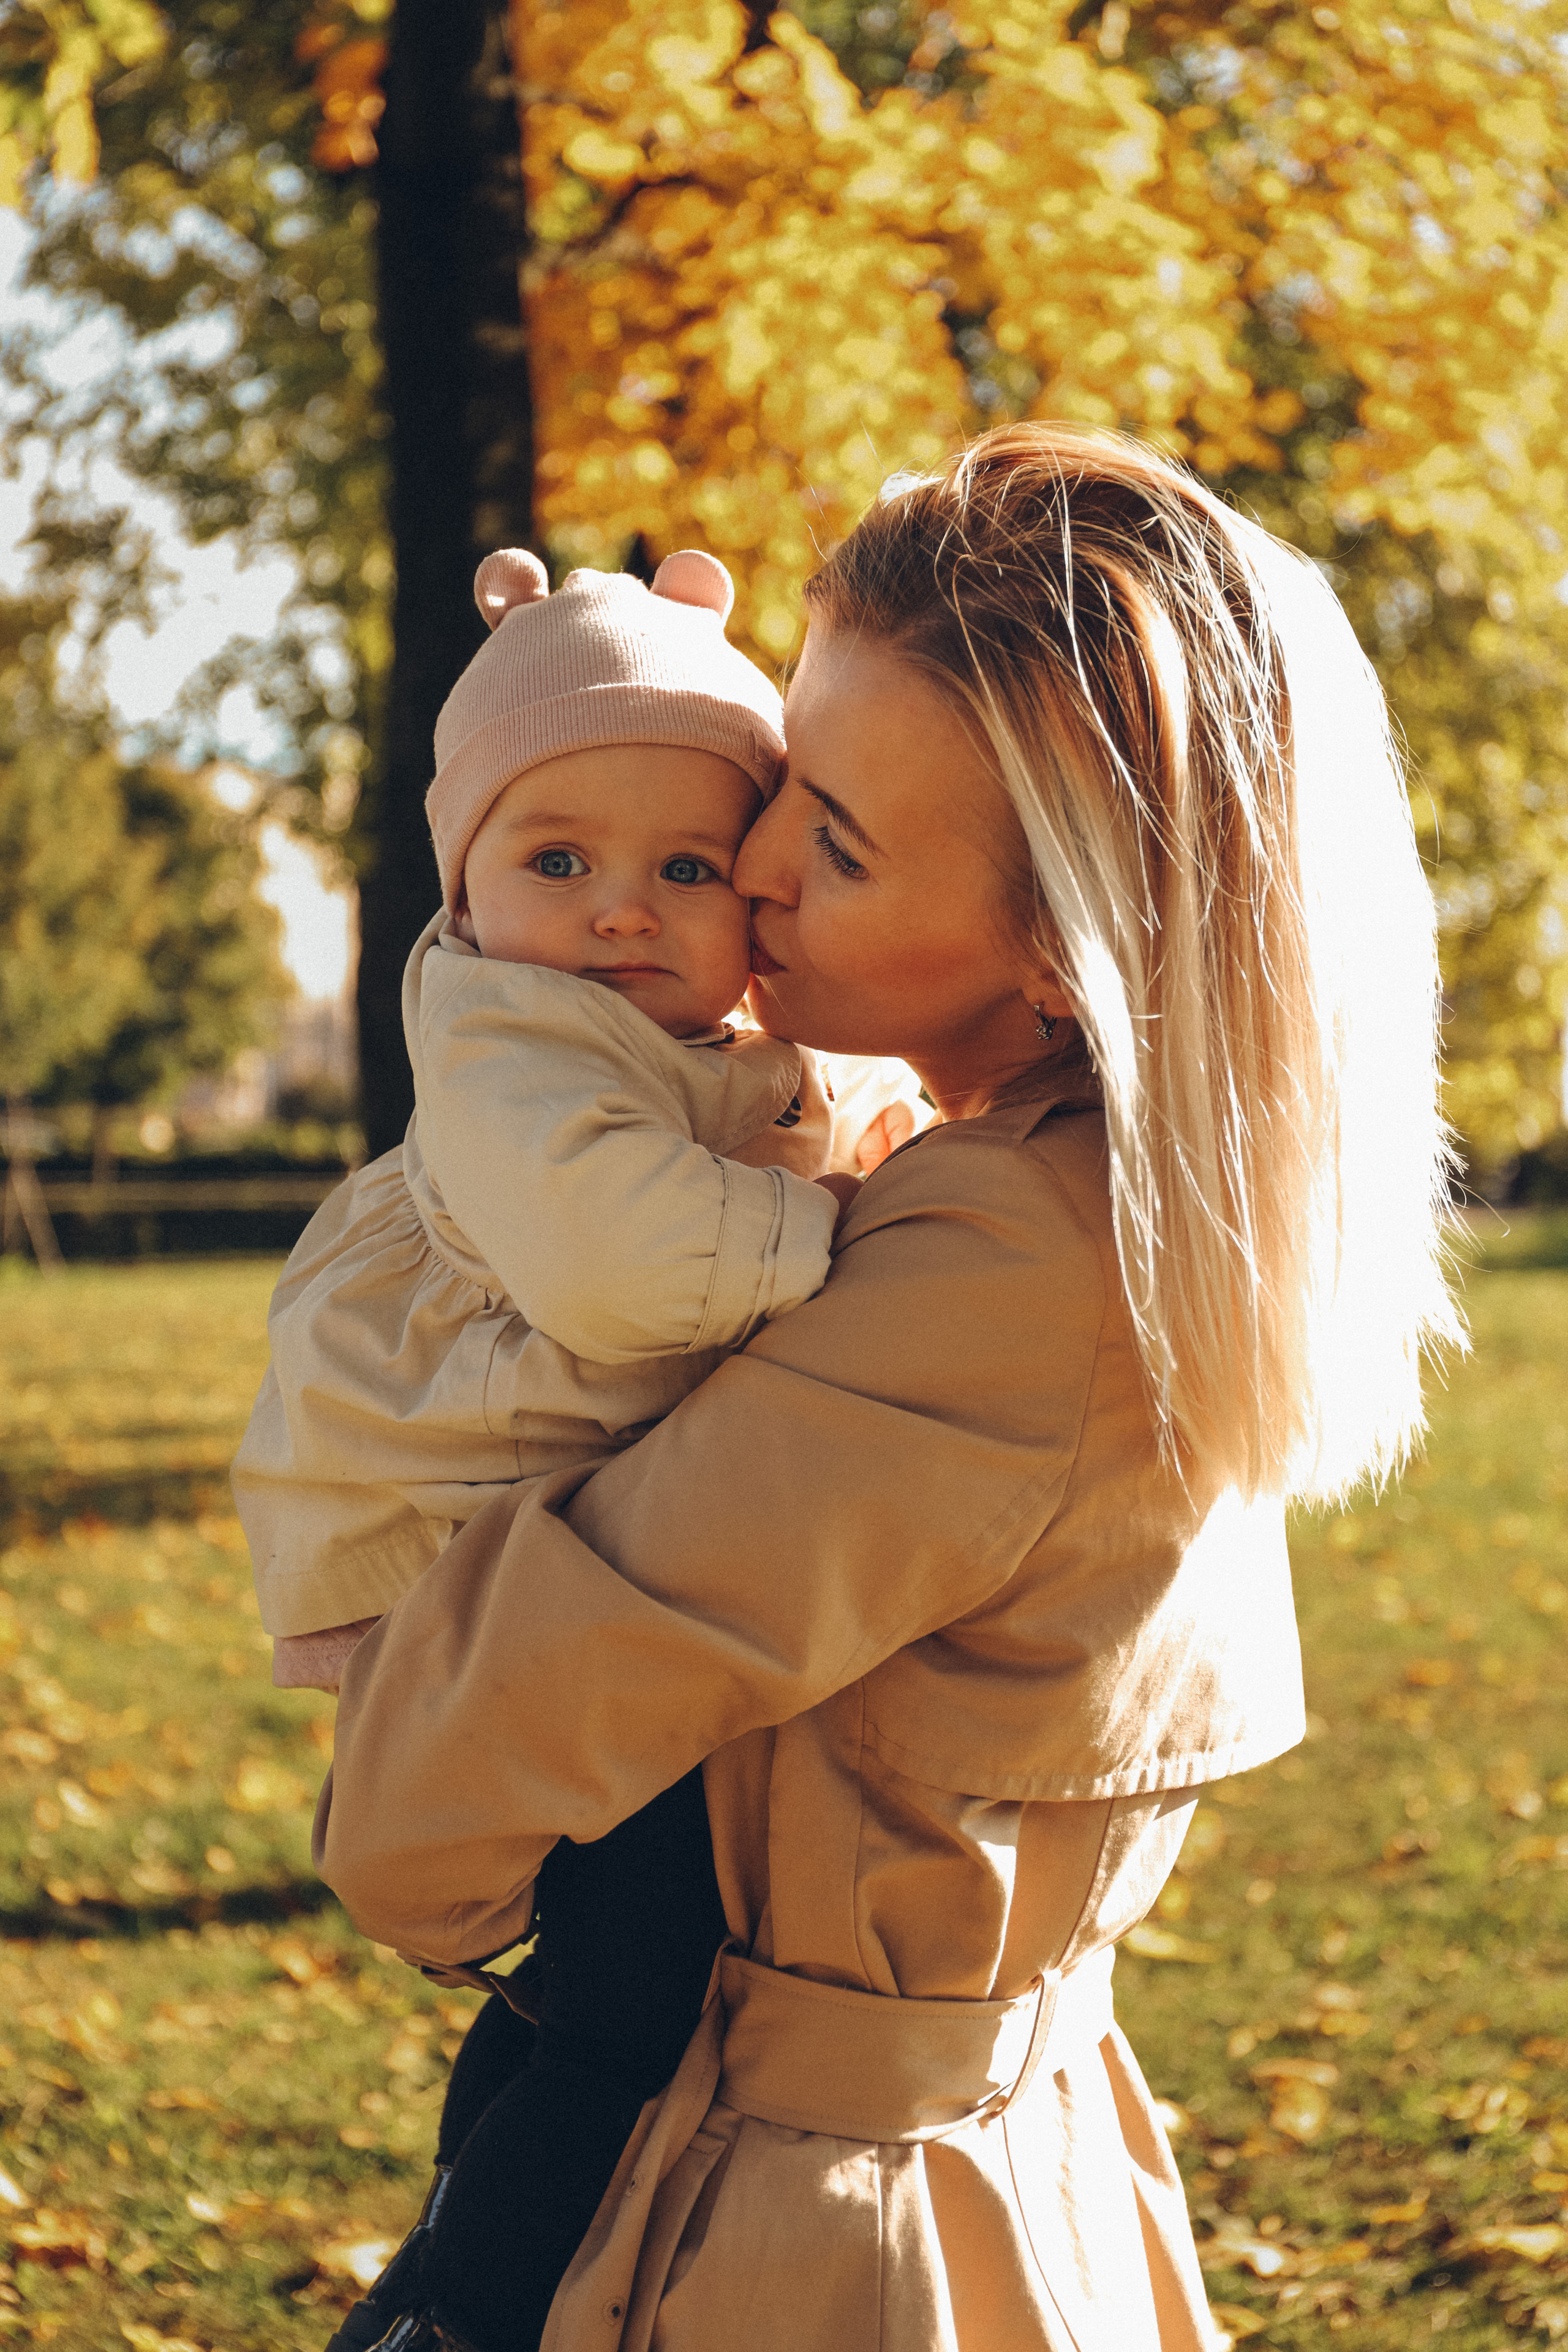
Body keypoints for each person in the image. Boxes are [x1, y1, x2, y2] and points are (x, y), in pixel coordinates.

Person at [314, 423, 1460, 2352]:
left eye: (831, 838)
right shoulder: (1119, 1212)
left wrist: (406, 1799)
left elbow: (508, 1711)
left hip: (787, 2221)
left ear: (1077, 956)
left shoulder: (1003, 1269)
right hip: (978, 2143)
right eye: (786, 785)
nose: (748, 864)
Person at [231, 544, 898, 2351]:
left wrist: (882, 1133)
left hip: (537, 1542)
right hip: (462, 1553)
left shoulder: (656, 1038)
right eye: (560, 861)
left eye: (690, 867)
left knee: (596, 1979)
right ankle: (474, 2304)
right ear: (464, 886)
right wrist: (865, 1238)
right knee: (642, 1982)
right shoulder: (517, 1044)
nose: (625, 908)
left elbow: (818, 1112)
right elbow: (628, 1271)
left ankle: (455, 2252)